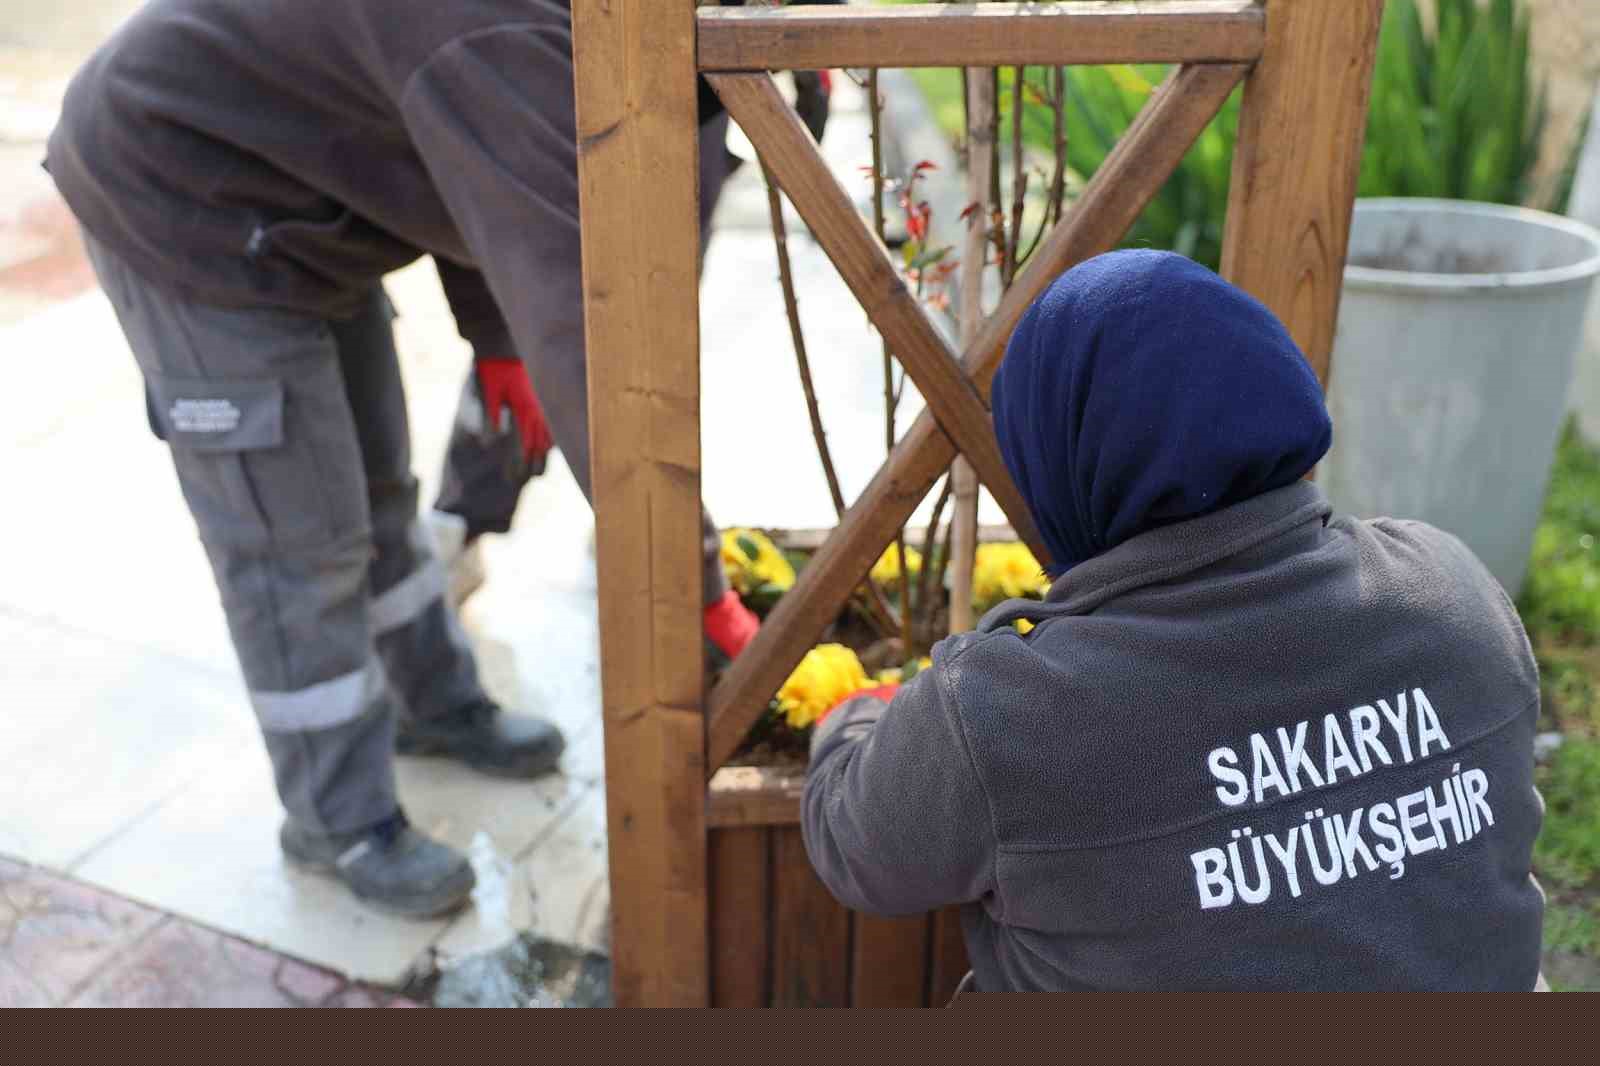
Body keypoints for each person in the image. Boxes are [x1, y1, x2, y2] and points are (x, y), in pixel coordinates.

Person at [44, 0, 786, 920]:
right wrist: (696, 579)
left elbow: (478, 167)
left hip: (294, 206)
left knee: (377, 487)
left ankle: (428, 704)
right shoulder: (502, 34)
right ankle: (334, 818)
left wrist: (495, 334)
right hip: (179, 202)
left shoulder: (551, 24)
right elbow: (593, 346)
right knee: (295, 544)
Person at [801, 249, 1547, 992]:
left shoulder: (1010, 713)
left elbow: (857, 848)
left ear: (1055, 459)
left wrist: (852, 718)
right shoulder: (1452, 590)